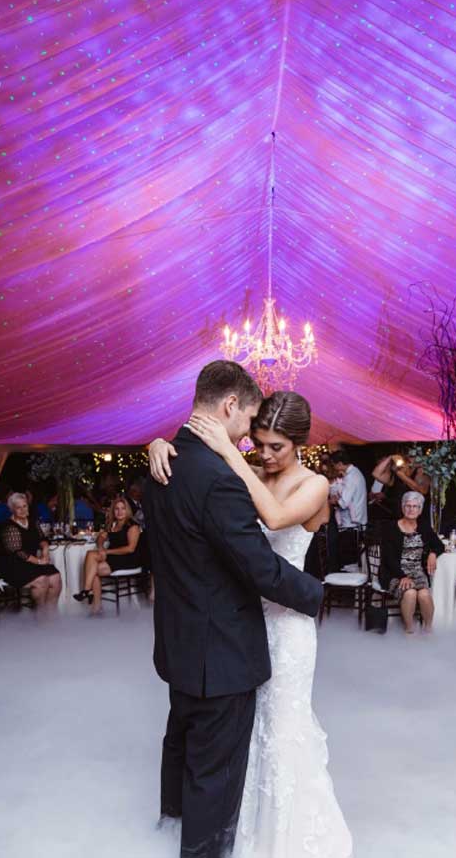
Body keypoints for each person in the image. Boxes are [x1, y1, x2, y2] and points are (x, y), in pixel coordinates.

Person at [147, 366, 351, 858]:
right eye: (258, 442)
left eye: (275, 446)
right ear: (234, 410)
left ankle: (283, 834)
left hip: (280, 625)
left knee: (282, 728)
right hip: (240, 627)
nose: (261, 453)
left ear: (299, 443)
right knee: (241, 741)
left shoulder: (311, 484)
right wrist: (158, 441)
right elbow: (244, 538)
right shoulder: (229, 472)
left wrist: (320, 597)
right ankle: (239, 835)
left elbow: (277, 519)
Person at [377, 491, 443, 633]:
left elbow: (439, 545)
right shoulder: (390, 528)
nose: (411, 509)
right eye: (408, 506)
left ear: (420, 510)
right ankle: (409, 630)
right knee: (410, 593)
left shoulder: (423, 526)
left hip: (417, 572)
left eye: (415, 506)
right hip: (395, 573)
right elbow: (388, 558)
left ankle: (428, 629)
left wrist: (433, 553)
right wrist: (402, 576)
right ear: (402, 508)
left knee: (424, 595)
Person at [74, 498, 144, 614]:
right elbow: (100, 537)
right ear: (113, 511)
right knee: (92, 563)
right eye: (116, 509)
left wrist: (107, 552)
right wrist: (101, 547)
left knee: (92, 561)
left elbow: (130, 549)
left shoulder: (133, 526)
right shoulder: (112, 525)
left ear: (127, 510)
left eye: (122, 508)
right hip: (115, 557)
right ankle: (92, 599)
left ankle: (88, 593)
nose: (119, 512)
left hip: (129, 558)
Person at [0, 493, 61, 610]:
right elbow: (18, 552)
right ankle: (40, 617)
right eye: (18, 507)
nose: (22, 510)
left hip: (30, 563)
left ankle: (51, 615)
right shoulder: (8, 527)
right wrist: (39, 562)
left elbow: (42, 539)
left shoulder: (32, 522)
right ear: (12, 510)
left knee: (55, 576)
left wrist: (45, 550)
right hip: (13, 565)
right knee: (42, 580)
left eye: (24, 506)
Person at [328, 448, 367, 570]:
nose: (334, 468)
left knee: (350, 562)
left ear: (340, 464)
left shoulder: (351, 477)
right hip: (357, 522)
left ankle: (351, 586)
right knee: (352, 558)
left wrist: (332, 501)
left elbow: (344, 502)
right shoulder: (356, 473)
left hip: (351, 524)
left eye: (334, 465)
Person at [369, 453, 430, 522]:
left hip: (414, 517)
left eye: (409, 461)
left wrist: (402, 476)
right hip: (396, 517)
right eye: (406, 460)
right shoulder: (395, 476)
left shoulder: (420, 472)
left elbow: (422, 490)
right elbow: (376, 474)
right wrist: (390, 457)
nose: (405, 464)